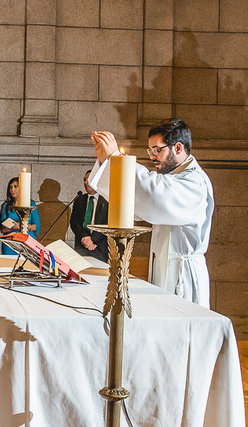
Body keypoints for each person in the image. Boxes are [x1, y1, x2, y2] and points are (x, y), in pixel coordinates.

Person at [89, 118, 215, 307]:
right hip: (166, 268)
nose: (152, 156)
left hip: (183, 276)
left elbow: (155, 194)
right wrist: (106, 161)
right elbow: (141, 209)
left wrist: (115, 160)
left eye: (158, 150)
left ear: (178, 148)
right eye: (151, 151)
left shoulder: (194, 181)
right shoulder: (176, 177)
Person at [70, 169, 109, 264]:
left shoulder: (107, 200)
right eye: (84, 179)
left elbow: (107, 223)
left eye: (89, 179)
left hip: (99, 247)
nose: (85, 182)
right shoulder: (80, 199)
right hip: (81, 245)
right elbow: (74, 223)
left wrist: (92, 240)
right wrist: (85, 238)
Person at [0, 176, 37, 257]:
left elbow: (35, 227)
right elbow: (2, 229)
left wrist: (21, 226)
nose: (12, 189)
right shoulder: (5, 206)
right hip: (10, 243)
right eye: (10, 187)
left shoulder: (31, 204)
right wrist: (14, 227)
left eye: (15, 186)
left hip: (27, 241)